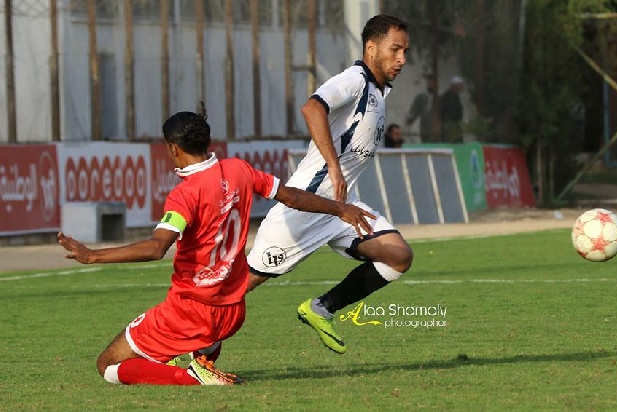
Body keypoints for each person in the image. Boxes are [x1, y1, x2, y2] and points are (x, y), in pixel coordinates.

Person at [57, 108, 376, 385]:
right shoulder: (240, 170)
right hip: (232, 311)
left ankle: (192, 376)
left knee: (108, 365)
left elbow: (156, 248)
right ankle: (206, 361)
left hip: (190, 311)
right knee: (190, 337)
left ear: (173, 149)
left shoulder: (185, 194)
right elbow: (291, 196)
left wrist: (92, 255)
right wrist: (340, 208)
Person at [246, 14, 414, 355]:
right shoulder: (354, 80)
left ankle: (321, 308)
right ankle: (178, 340)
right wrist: (334, 168)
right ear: (371, 47)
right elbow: (311, 108)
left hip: (342, 208)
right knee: (241, 286)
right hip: (306, 205)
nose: (402, 59)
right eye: (395, 50)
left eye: (405, 51)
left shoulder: (379, 92)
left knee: (397, 255)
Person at [406, 74, 436, 142]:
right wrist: (410, 119)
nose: (430, 84)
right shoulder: (422, 97)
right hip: (424, 129)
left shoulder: (439, 98)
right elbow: (414, 112)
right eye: (429, 82)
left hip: (436, 130)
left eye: (432, 82)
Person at [439, 76, 465, 143]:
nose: (462, 88)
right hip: (450, 127)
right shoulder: (449, 97)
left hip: (453, 126)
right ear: (455, 86)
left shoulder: (452, 96)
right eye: (461, 85)